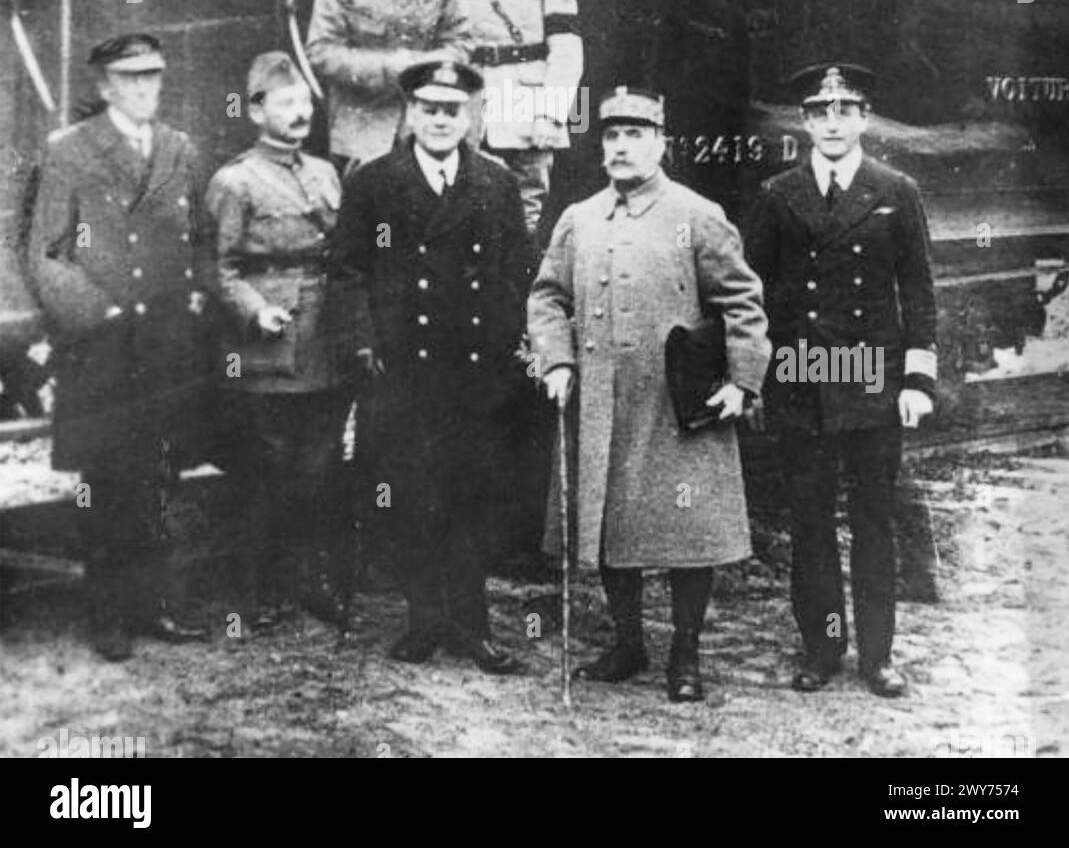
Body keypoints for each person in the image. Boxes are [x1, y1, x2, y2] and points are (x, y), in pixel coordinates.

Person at [527, 87, 771, 702]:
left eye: (636, 134)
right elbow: (547, 297)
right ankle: (627, 642)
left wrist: (742, 381)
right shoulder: (578, 218)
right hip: (601, 405)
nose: (621, 146)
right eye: (612, 135)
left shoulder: (698, 213)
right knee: (612, 530)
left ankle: (684, 656)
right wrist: (555, 359)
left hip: (676, 404)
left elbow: (742, 302)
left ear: (660, 143)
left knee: (687, 536)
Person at [329, 60, 531, 673]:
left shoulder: (496, 183)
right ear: (410, 114)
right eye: (429, 109)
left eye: (452, 110)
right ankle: (422, 620)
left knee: (472, 498)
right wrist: (364, 342)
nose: (441, 120)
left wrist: (510, 345)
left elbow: (517, 272)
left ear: (469, 117)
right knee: (410, 496)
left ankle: (473, 627)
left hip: (475, 373)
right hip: (404, 370)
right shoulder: (374, 182)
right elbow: (346, 270)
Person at [745, 63, 937, 698]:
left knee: (873, 521)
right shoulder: (779, 193)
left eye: (845, 110)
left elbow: (918, 291)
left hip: (873, 382)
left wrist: (916, 381)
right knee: (811, 523)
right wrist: (756, 376)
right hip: (802, 377)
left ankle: (878, 657)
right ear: (805, 122)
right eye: (820, 112)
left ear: (864, 119)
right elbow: (756, 291)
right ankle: (823, 648)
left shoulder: (896, 189)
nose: (832, 122)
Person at [27, 33, 209, 660]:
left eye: (152, 76)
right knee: (103, 482)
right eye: (129, 78)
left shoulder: (180, 150)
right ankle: (106, 613)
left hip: (162, 345)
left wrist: (191, 304)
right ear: (104, 87)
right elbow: (46, 254)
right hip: (99, 345)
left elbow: (197, 242)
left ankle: (154, 605)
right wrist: (98, 313)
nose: (143, 89)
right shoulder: (68, 152)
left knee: (158, 475)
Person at [204, 52, 347, 630]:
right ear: (256, 109)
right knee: (266, 469)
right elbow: (218, 267)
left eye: (306, 103)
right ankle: (257, 589)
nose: (300, 113)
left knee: (318, 467)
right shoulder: (234, 181)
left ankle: (307, 579)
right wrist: (255, 310)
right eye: (286, 103)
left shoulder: (324, 173)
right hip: (268, 344)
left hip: (324, 339)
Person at [461, 0, 583, 238]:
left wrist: (550, 112)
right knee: (463, 208)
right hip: (471, 99)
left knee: (524, 213)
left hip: (526, 102)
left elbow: (565, 48)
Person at [305, 0, 472, 172]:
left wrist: (423, 66)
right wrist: (385, 67)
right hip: (361, 125)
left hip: (428, 122)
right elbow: (320, 50)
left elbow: (461, 41)